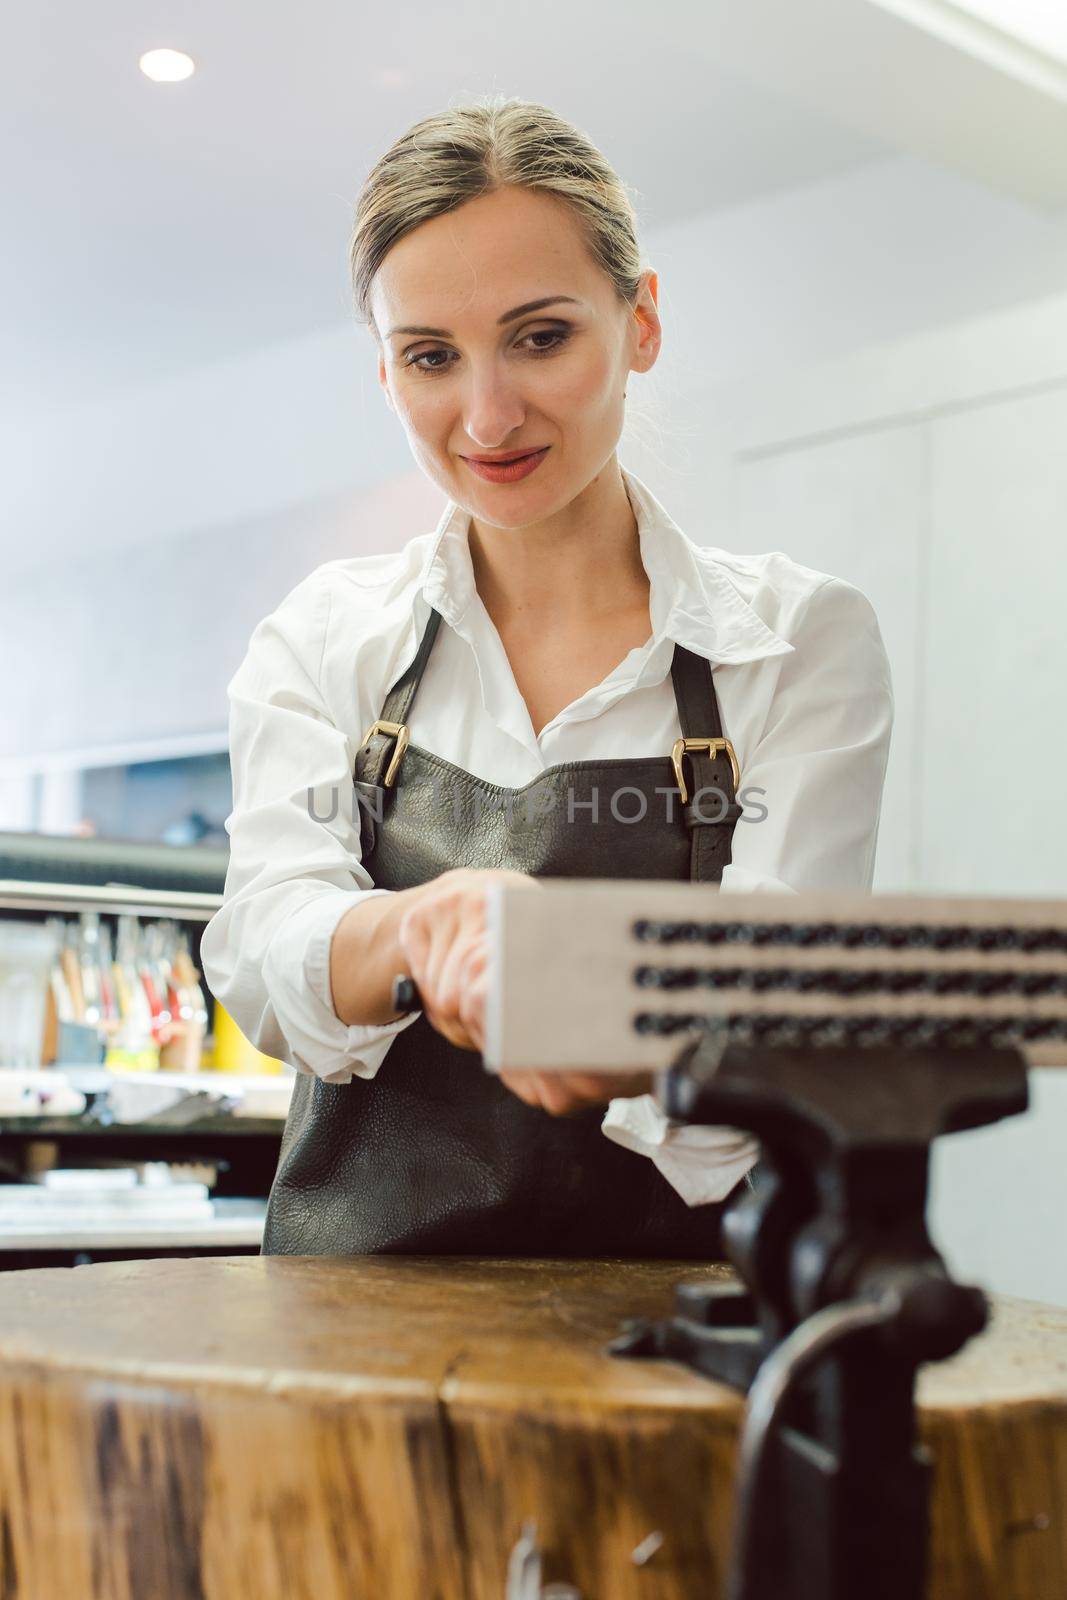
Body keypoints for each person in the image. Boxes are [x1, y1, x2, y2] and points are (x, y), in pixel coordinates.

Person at [200, 96, 894, 1258]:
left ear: (641, 323)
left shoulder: (793, 640)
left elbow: (785, 1006)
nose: (487, 416)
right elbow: (263, 947)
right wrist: (430, 926)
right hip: (350, 1330)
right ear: (384, 371)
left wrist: (593, 998)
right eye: (431, 356)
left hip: (677, 1332)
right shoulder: (324, 638)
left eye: (539, 336)